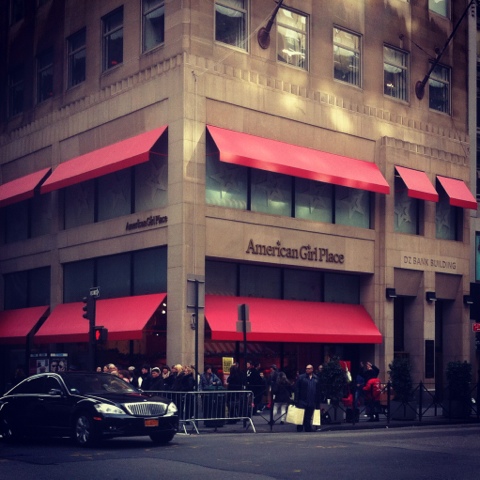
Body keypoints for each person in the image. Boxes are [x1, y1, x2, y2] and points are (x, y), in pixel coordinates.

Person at [294, 364, 322, 432]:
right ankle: (300, 428)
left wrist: (318, 400)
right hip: (303, 399)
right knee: (301, 414)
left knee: (309, 414)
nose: (307, 370)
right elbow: (297, 389)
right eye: (306, 368)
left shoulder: (316, 378)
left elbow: (318, 389)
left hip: (312, 399)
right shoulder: (301, 377)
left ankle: (307, 427)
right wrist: (296, 399)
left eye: (309, 369)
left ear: (312, 369)